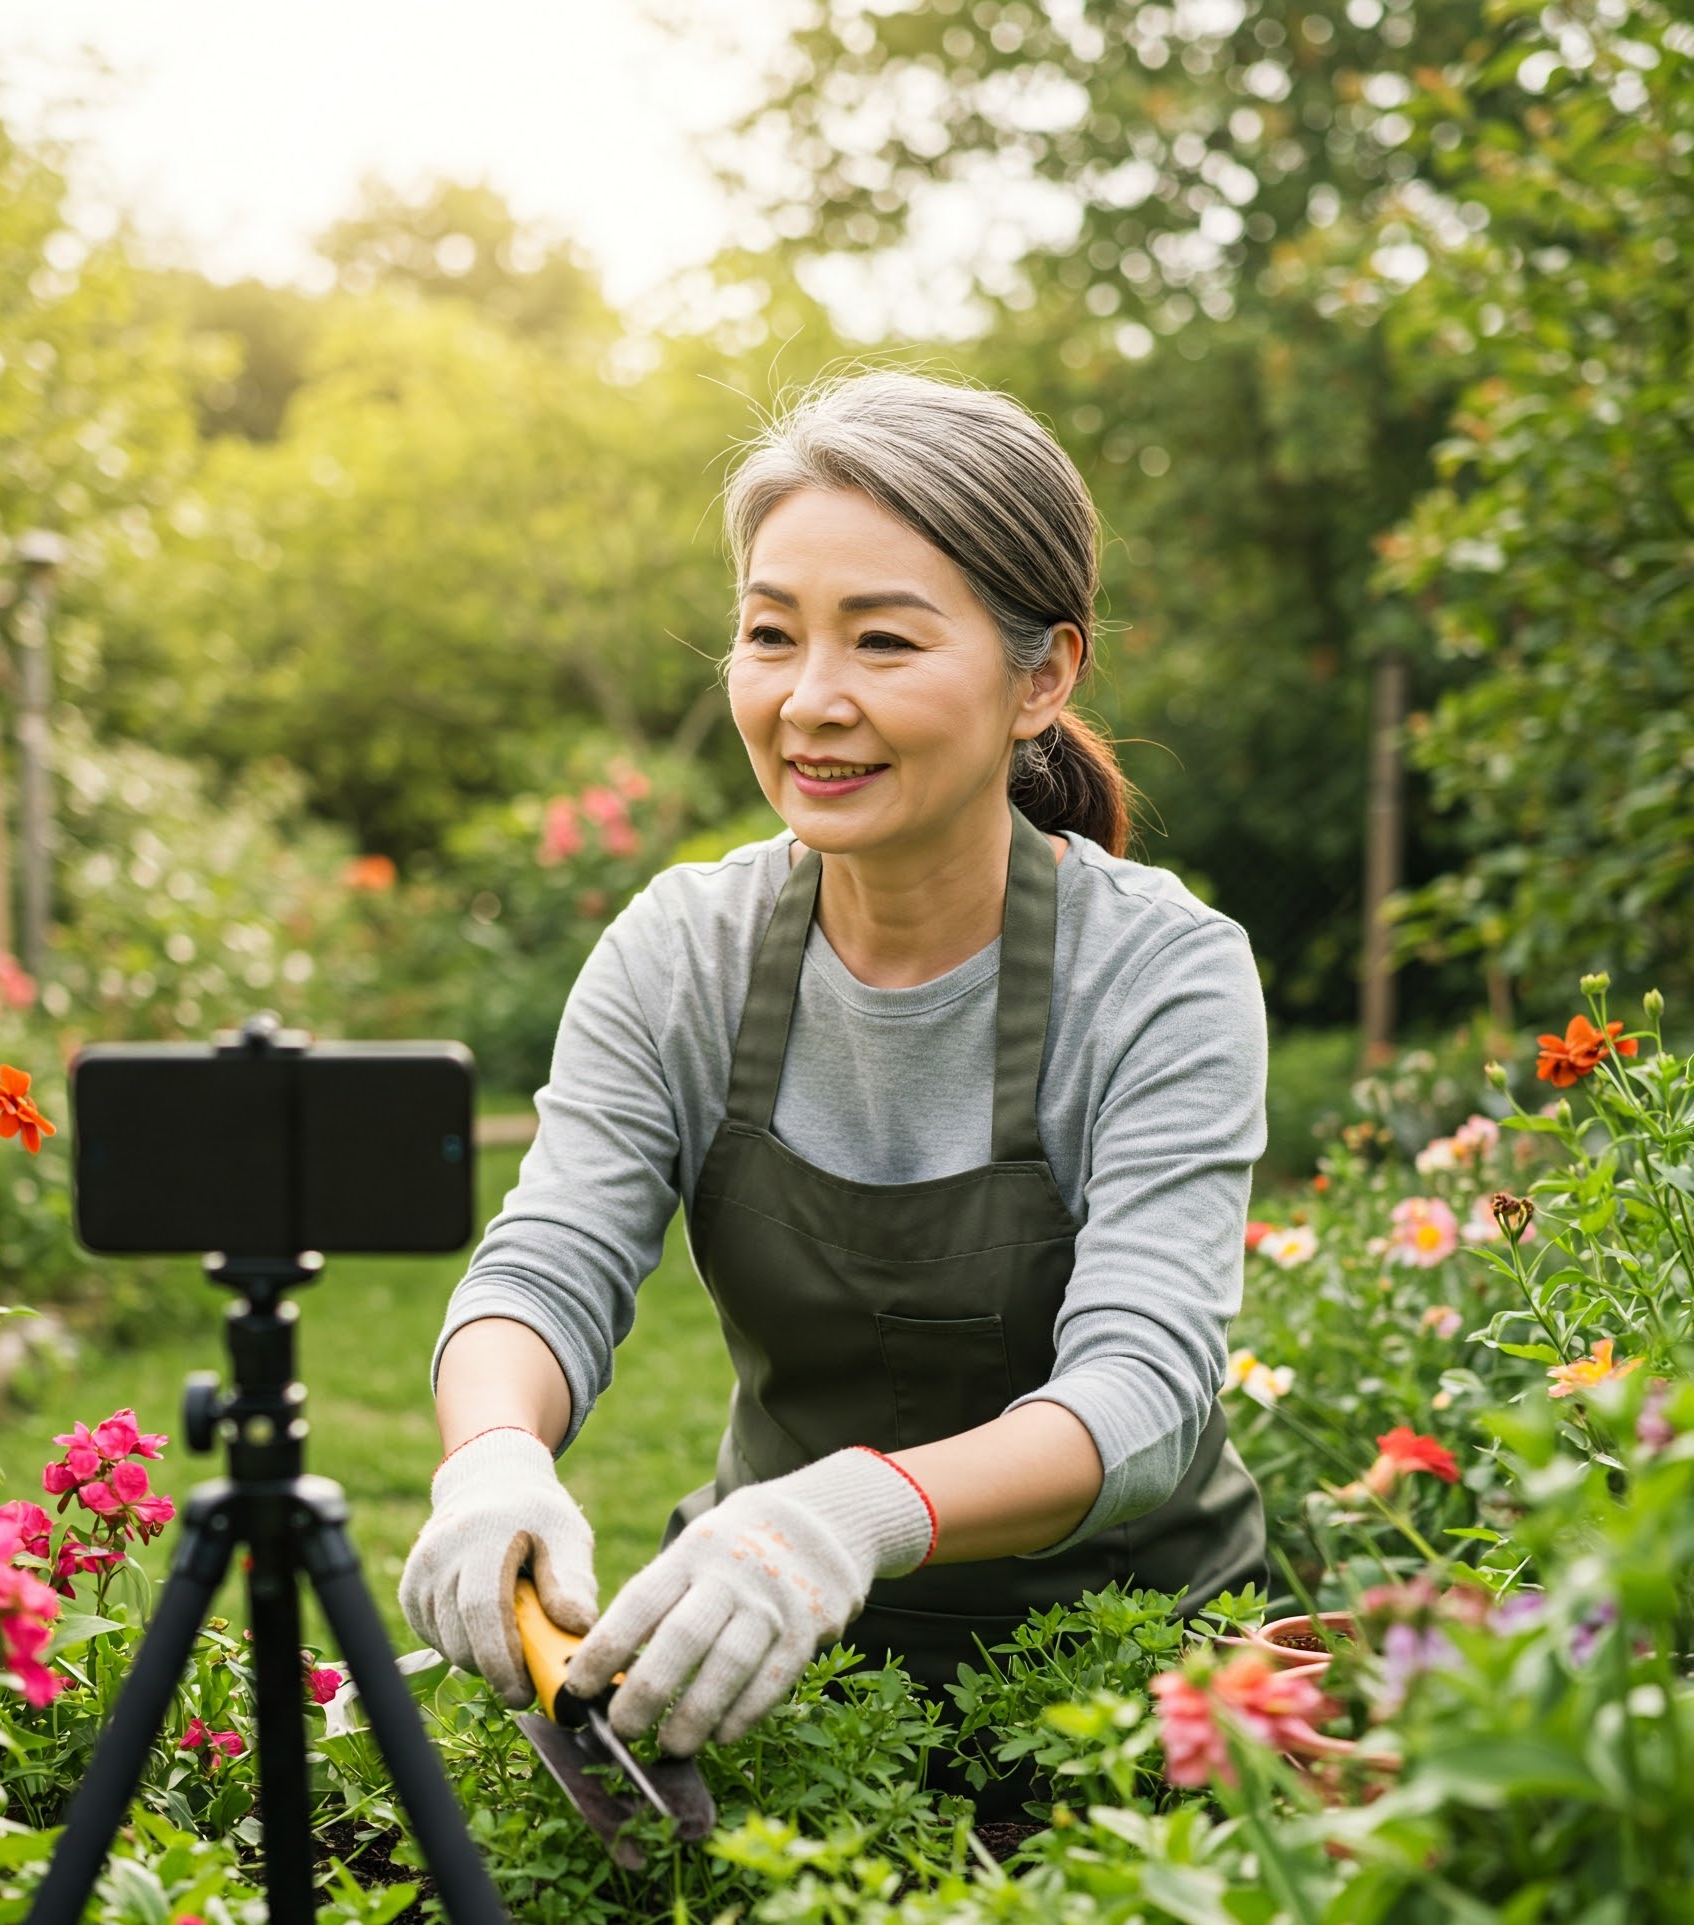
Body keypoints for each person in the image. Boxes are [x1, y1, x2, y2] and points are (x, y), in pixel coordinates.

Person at [399, 370, 1268, 1772]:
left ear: (1041, 676)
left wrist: (844, 1514)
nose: (811, 701)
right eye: (769, 634)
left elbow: (1143, 1388)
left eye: (882, 643)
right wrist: (492, 1454)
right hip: (756, 1660)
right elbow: (546, 1268)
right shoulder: (685, 950)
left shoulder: (1159, 973)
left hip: (1133, 1681)